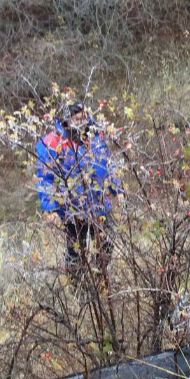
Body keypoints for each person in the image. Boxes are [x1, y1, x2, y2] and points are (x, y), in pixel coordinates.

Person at [36, 101, 124, 276]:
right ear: (66, 120)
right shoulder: (53, 142)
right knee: (76, 251)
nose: (81, 122)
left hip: (98, 203)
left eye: (83, 117)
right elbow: (45, 177)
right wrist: (50, 208)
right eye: (76, 119)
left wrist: (118, 190)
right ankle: (79, 289)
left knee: (107, 241)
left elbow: (107, 164)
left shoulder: (95, 136)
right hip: (72, 208)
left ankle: (101, 279)